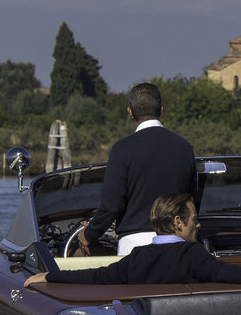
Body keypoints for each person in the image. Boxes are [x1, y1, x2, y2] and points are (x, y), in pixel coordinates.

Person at [31, 193, 241, 289]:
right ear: (178, 223)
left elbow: (96, 277)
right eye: (195, 220)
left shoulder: (136, 258)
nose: (199, 224)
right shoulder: (192, 254)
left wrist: (51, 277)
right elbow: (224, 271)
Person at [74, 82, 194, 256]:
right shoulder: (185, 148)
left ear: (130, 112)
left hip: (134, 245)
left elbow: (111, 206)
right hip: (177, 242)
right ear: (161, 110)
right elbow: (191, 199)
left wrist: (88, 234)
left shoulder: (121, 149)